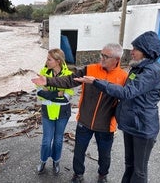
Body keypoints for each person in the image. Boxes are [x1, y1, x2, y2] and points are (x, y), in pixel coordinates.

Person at [32, 43, 128, 183]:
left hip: (107, 125)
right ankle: (78, 175)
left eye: (105, 56)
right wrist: (48, 80)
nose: (101, 58)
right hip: (85, 120)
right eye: (101, 54)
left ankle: (102, 175)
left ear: (116, 59)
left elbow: (126, 98)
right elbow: (70, 80)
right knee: (79, 151)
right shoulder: (90, 69)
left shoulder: (123, 76)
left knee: (105, 154)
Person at [76, 31, 160, 183]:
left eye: (136, 49)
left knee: (139, 170)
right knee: (129, 165)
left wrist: (96, 82)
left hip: (143, 127)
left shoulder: (151, 71)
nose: (132, 52)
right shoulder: (138, 68)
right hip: (132, 124)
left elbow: (127, 92)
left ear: (146, 51)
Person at [35, 48, 75, 175]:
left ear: (58, 61)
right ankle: (43, 161)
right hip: (47, 111)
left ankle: (56, 161)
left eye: (49, 59)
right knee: (46, 141)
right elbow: (39, 93)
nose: (46, 61)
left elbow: (67, 96)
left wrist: (49, 93)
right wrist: (57, 92)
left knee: (58, 140)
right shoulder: (43, 72)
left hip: (63, 113)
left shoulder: (68, 74)